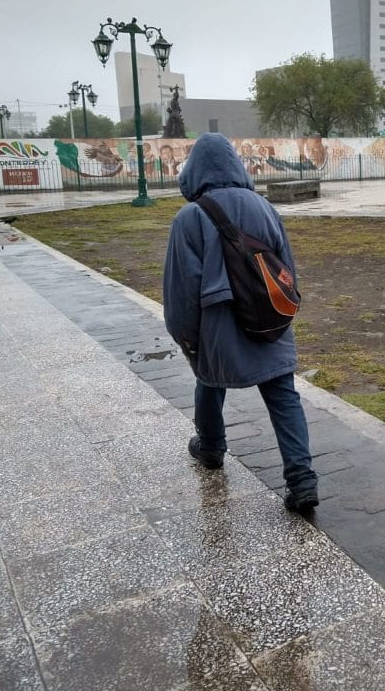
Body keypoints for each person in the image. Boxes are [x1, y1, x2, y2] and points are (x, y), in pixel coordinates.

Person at [162, 132, 319, 513]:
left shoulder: (191, 217)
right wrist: (283, 312)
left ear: (194, 170)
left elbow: (182, 289)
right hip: (269, 319)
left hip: (219, 325)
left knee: (209, 381)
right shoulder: (265, 208)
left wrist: (186, 338)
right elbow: (286, 272)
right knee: (283, 396)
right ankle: (302, 480)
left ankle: (212, 448)